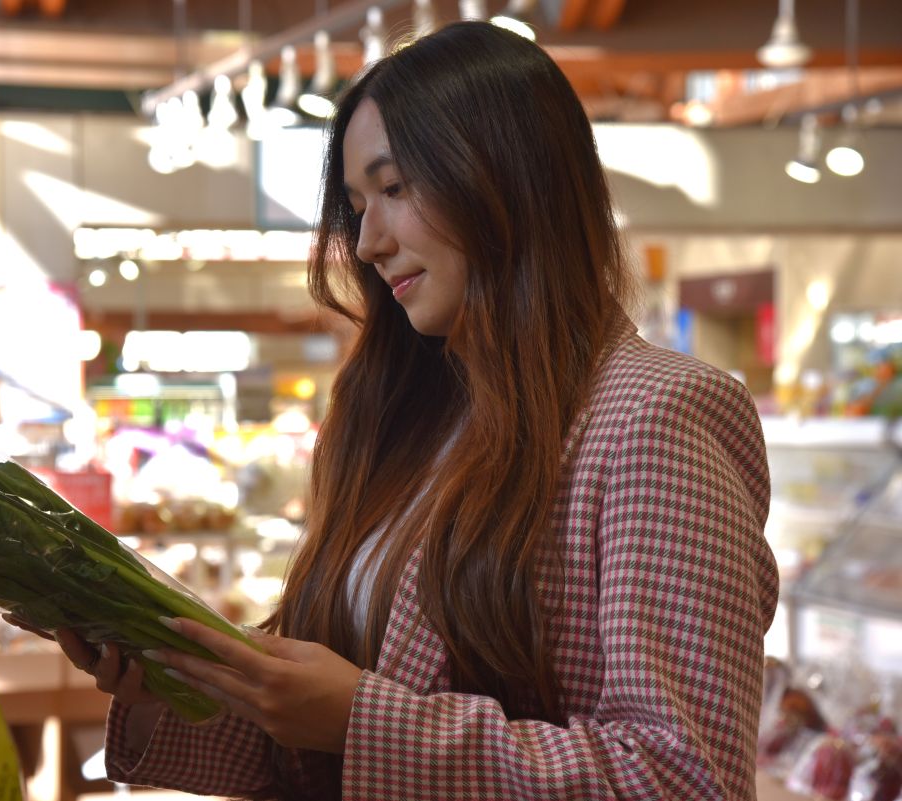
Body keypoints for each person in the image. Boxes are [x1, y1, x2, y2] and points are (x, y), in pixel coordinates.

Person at [48, 20, 779, 800]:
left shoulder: (657, 417)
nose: (366, 242)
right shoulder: (408, 421)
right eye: (358, 205)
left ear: (507, 180)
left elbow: (682, 776)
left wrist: (362, 720)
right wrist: (172, 672)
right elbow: (312, 754)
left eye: (394, 189)